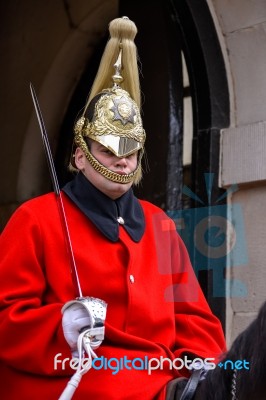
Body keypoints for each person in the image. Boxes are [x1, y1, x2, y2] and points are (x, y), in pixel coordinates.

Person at [0, 17, 226, 400]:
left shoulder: (159, 225)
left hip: (159, 378)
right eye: (108, 149)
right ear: (80, 155)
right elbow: (7, 317)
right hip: (77, 375)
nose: (122, 161)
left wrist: (198, 365)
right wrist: (63, 325)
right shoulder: (35, 219)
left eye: (130, 152)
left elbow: (194, 319)